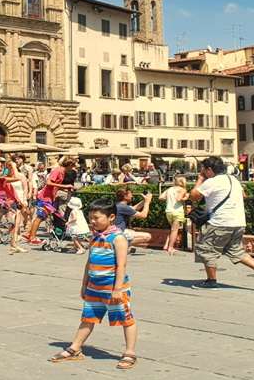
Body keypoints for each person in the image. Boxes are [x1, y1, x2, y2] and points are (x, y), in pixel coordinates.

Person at [48, 199, 138, 370]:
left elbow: (122, 265)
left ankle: (130, 352)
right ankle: (75, 348)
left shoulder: (118, 238)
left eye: (96, 218)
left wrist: (117, 288)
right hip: (94, 288)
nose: (92, 221)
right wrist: (84, 284)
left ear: (111, 217)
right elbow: (89, 263)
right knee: (88, 318)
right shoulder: (95, 237)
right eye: (91, 218)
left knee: (126, 320)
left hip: (113, 289)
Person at [189, 156, 254, 290]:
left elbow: (193, 195)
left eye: (203, 170)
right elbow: (244, 195)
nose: (202, 173)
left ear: (209, 170)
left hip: (220, 222)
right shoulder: (233, 179)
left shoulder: (212, 182)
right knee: (234, 250)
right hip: (238, 221)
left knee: (206, 249)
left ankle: (211, 281)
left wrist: (199, 180)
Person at [26, 156, 77, 244]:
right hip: (45, 197)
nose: (73, 168)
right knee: (40, 217)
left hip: (49, 197)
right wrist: (65, 186)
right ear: (69, 164)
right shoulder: (58, 170)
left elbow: (55, 185)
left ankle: (29, 234)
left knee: (42, 217)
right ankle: (32, 237)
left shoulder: (62, 171)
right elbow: (49, 182)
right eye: (72, 166)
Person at [159, 177, 189, 254]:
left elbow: (161, 197)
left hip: (168, 211)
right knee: (175, 230)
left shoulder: (170, 189)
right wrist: (186, 197)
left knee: (172, 229)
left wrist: (169, 199)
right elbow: (179, 199)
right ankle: (171, 247)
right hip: (177, 211)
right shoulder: (182, 190)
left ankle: (166, 245)